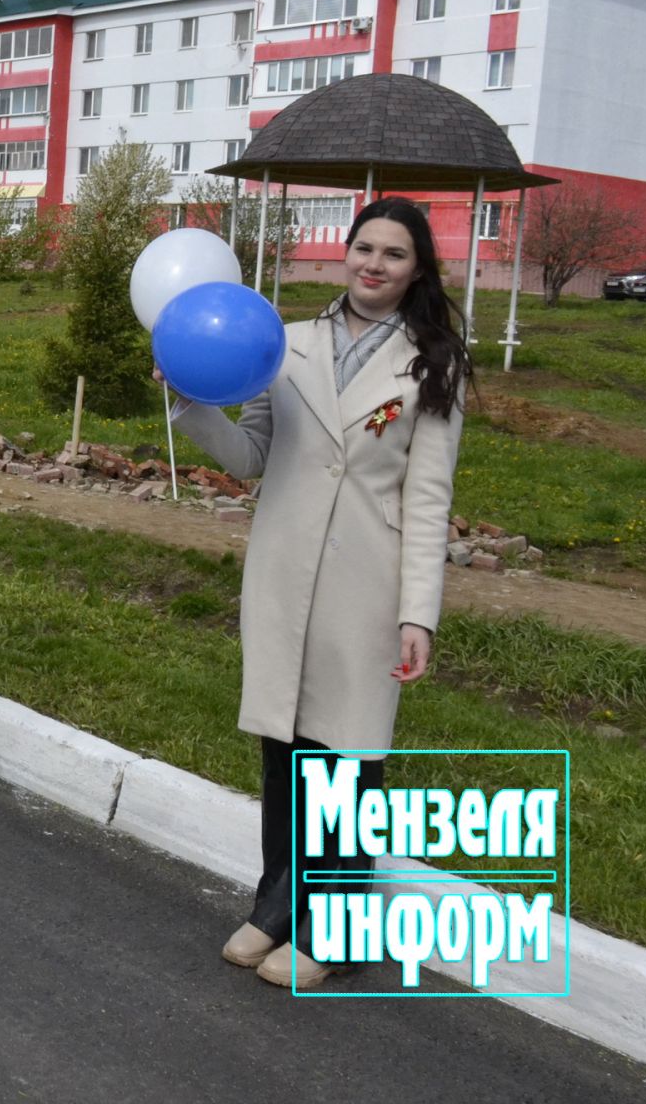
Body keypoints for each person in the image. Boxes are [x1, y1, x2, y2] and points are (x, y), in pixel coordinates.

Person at [162, 197, 468, 989]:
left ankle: (335, 925)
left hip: (367, 587)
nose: (373, 264)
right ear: (344, 254)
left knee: (345, 759)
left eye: (393, 254)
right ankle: (275, 904)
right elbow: (250, 456)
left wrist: (417, 616)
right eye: (363, 247)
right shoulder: (281, 343)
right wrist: (191, 403)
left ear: (417, 268)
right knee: (284, 750)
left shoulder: (433, 362)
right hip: (283, 573)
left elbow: (428, 500)